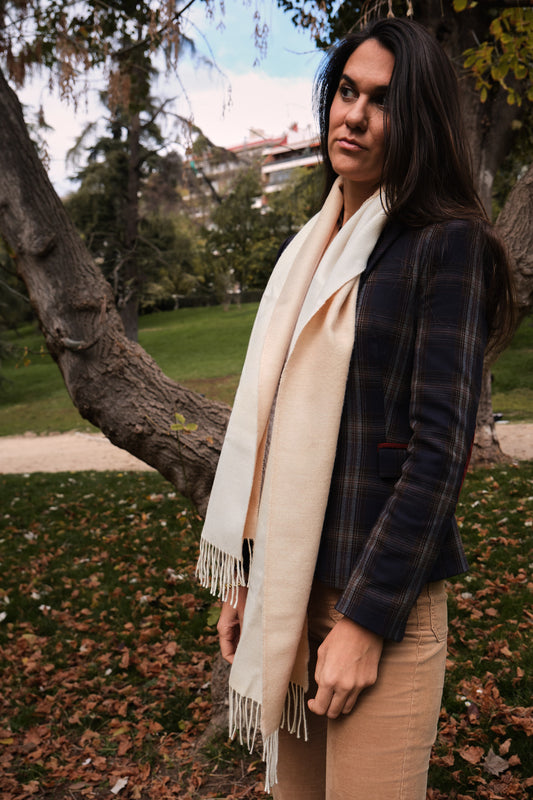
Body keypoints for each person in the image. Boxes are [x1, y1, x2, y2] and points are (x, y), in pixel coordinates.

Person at [196, 16, 515, 800]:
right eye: (346, 91)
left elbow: (439, 453)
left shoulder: (448, 244)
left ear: (417, 122)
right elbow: (272, 432)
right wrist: (246, 578)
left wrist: (367, 622)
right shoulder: (309, 248)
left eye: (381, 101)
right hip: (290, 588)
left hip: (383, 603)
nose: (353, 114)